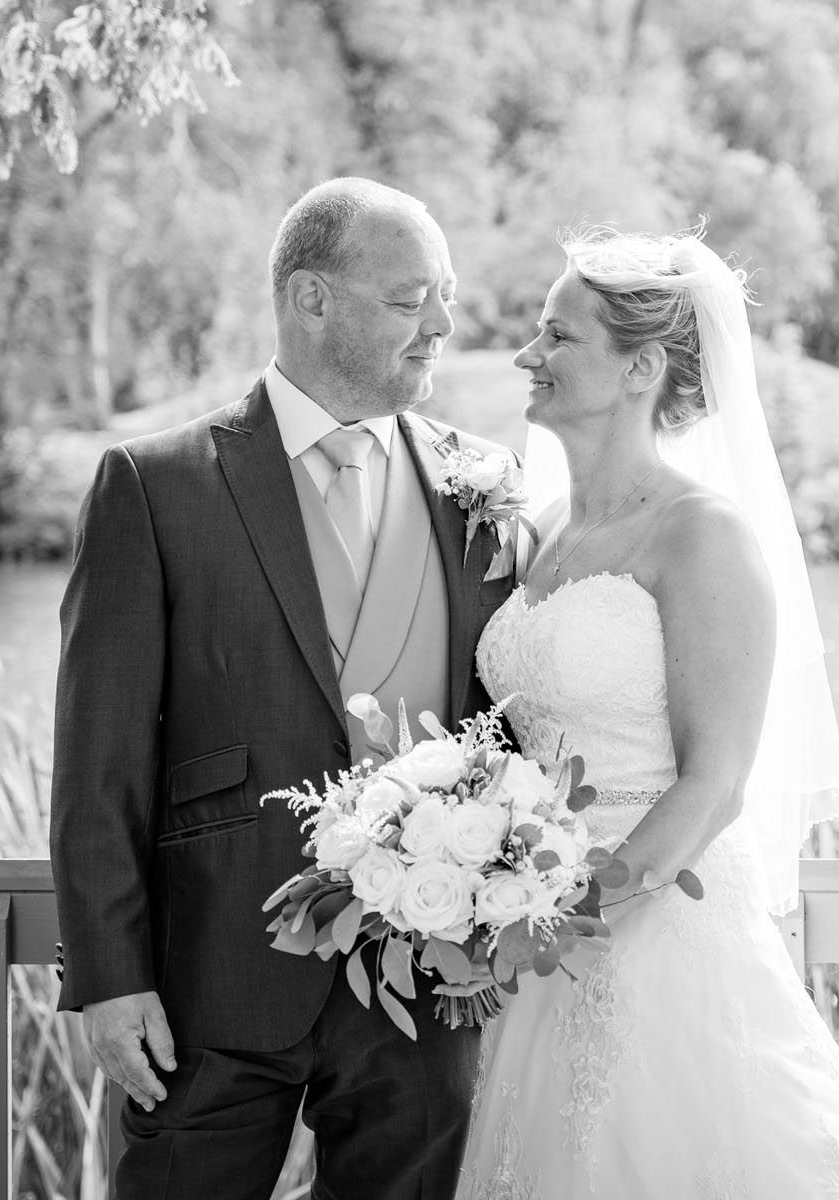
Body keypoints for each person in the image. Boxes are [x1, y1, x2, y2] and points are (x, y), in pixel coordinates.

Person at [457, 228, 839, 1198]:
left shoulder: (703, 536)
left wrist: (562, 922)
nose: (528, 356)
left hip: (652, 930)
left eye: (556, 336)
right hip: (528, 935)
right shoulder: (542, 532)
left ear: (640, 367)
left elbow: (716, 783)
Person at [50, 177, 517, 1200]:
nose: (443, 324)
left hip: (427, 991)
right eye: (410, 300)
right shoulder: (155, 484)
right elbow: (99, 759)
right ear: (311, 299)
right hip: (208, 983)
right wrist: (108, 974)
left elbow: (511, 724)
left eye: (442, 296)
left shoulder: (485, 485)